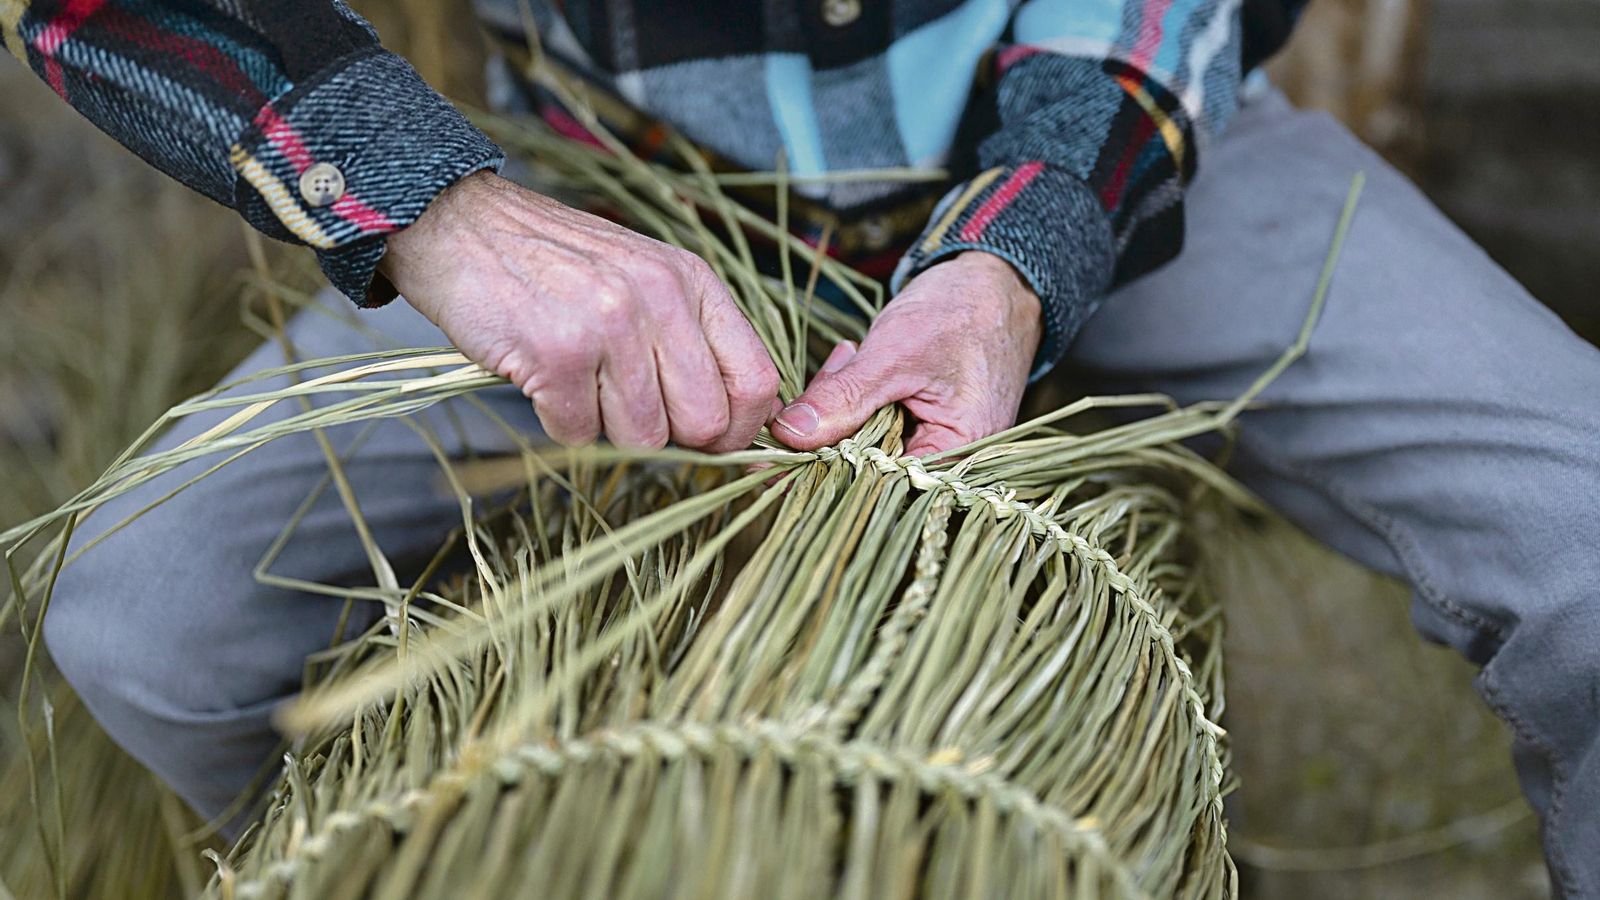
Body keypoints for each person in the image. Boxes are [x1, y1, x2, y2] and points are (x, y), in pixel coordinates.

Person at [6, 0, 1596, 893]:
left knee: (1580, 533)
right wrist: (440, 208)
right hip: (613, 192)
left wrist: (1031, 233)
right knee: (141, 613)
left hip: (1101, 140)